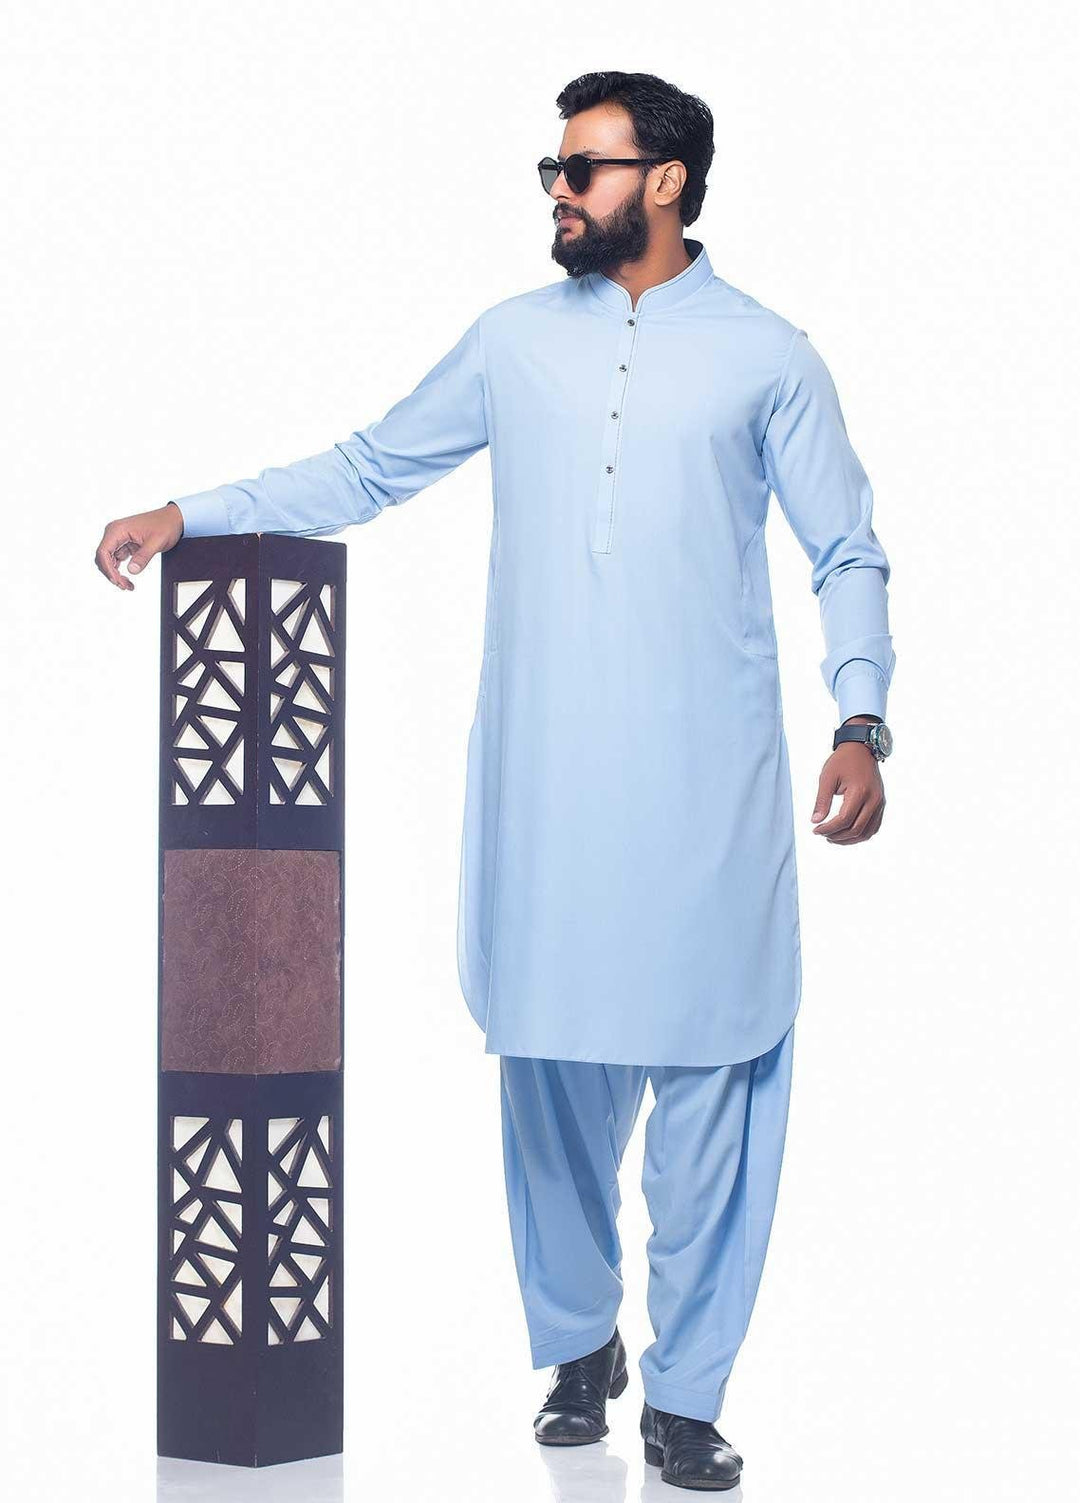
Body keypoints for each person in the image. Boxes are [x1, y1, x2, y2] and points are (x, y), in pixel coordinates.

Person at [95, 70, 895, 1492]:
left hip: (711, 788)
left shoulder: (769, 356)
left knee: (719, 1075)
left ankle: (687, 1399)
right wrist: (191, 512)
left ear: (666, 181)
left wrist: (862, 716)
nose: (558, 192)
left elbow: (845, 548)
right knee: (552, 1080)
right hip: (547, 785)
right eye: (553, 169)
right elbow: (369, 469)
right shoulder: (512, 343)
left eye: (583, 169)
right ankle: (580, 1349)